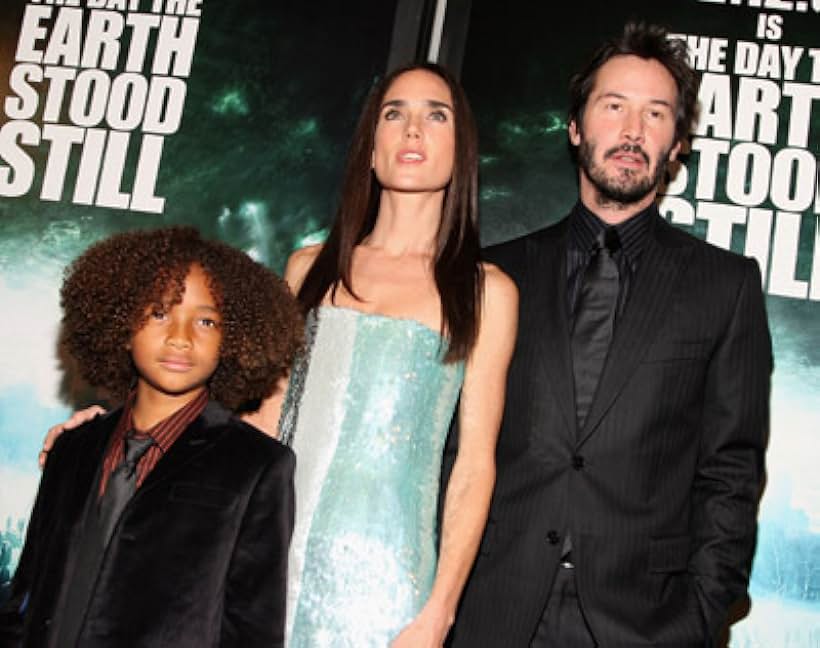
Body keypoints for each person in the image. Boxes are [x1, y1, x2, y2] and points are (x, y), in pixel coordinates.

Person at [41, 63, 518, 647]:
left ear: (459, 148)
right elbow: (259, 420)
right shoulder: (307, 267)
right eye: (394, 113)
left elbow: (473, 466)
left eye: (434, 115)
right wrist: (122, 436)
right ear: (370, 146)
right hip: (269, 552)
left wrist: (438, 612)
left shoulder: (485, 290)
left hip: (389, 580)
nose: (413, 130)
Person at [444, 22, 772, 647]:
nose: (632, 131)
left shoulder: (724, 285)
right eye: (613, 106)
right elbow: (451, 447)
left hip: (644, 623)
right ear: (575, 127)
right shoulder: (494, 274)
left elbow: (731, 469)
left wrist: (700, 615)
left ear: (677, 144)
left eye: (656, 114)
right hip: (490, 611)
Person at [2, 227, 303, 647]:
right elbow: (26, 595)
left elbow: (253, 628)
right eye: (160, 313)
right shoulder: (72, 449)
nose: (181, 337)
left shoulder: (255, 466)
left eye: (206, 320)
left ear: (231, 339)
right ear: (122, 325)